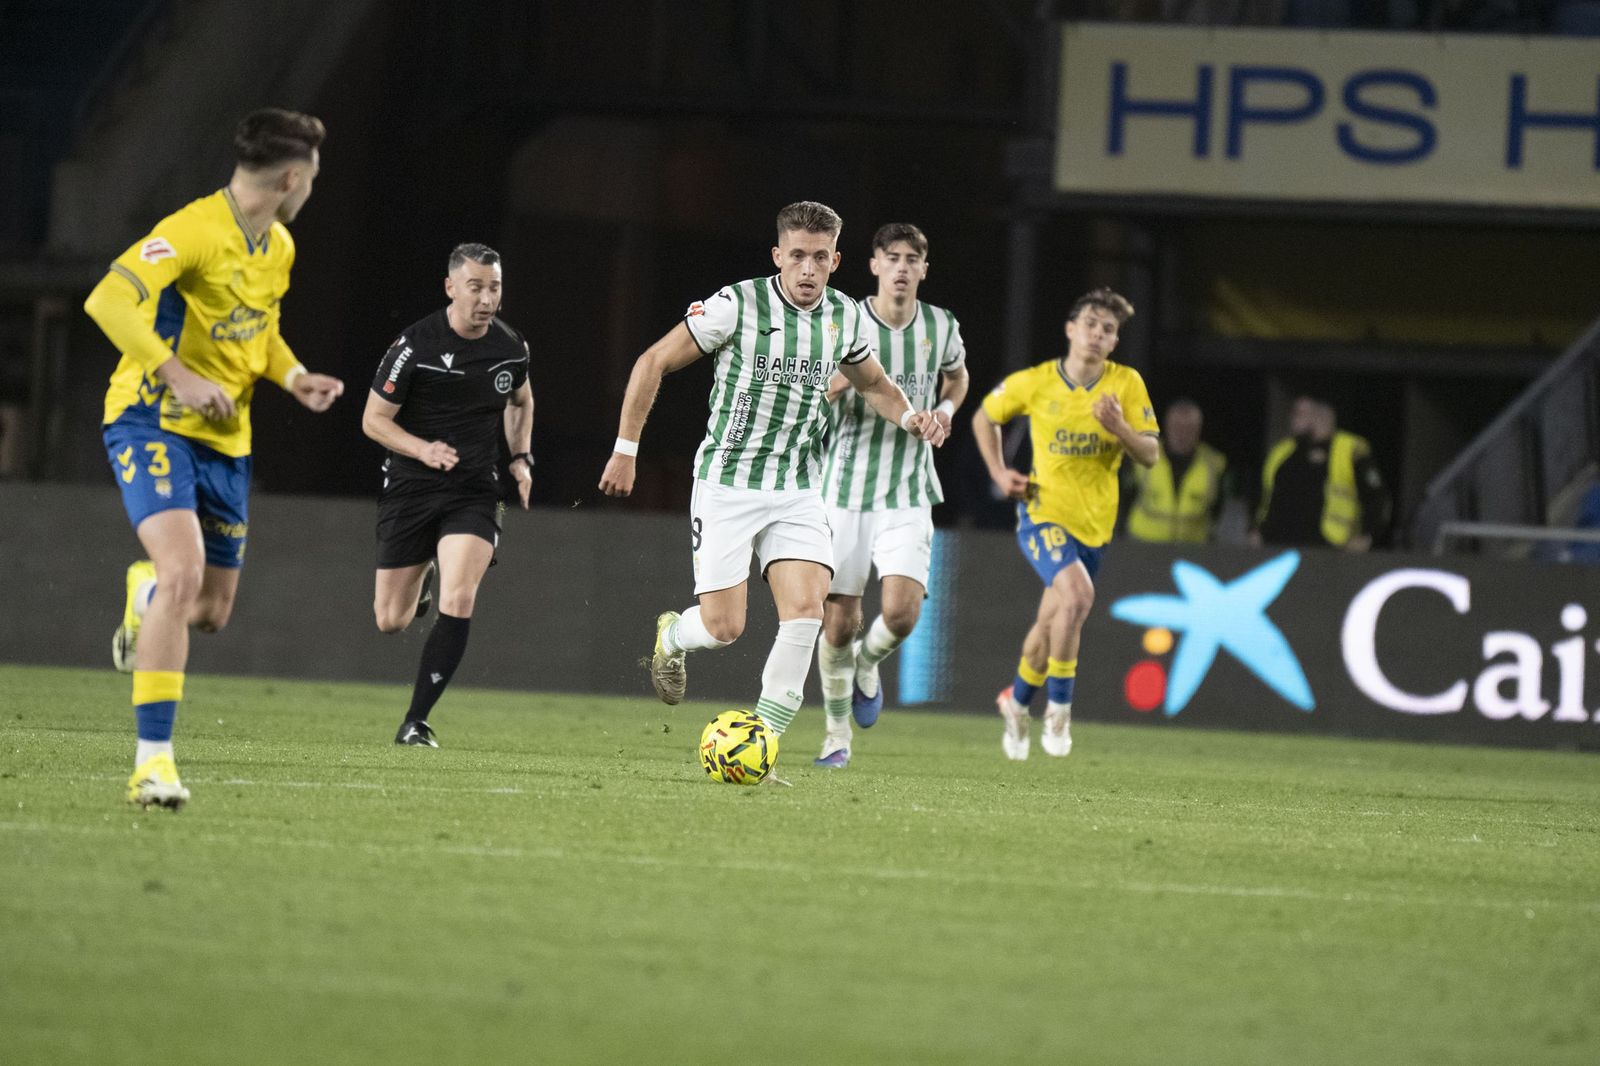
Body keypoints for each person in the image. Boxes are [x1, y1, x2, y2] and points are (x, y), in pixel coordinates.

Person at [598, 201, 946, 784]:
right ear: (777, 256)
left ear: (835, 261)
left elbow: (876, 385)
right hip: (727, 485)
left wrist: (910, 418)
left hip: (797, 489)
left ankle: (761, 746)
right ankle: (673, 635)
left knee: (807, 610)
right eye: (797, 256)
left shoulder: (844, 319)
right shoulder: (735, 306)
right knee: (723, 628)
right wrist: (625, 449)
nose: (808, 269)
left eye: (819, 258)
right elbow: (652, 360)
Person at [85, 108, 344, 809]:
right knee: (182, 573)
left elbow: (259, 332)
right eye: (313, 179)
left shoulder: (278, 246)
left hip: (227, 439)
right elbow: (107, 300)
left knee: (209, 611)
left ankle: (145, 595)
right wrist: (178, 375)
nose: (312, 191)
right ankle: (152, 765)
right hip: (151, 420)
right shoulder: (193, 231)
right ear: (292, 177)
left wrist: (293, 378)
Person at [973, 288, 1159, 760]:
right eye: (1091, 324)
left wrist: (1120, 428)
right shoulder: (1037, 382)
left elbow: (1151, 454)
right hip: (1041, 513)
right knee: (1078, 598)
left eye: (1109, 330)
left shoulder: (1126, 384)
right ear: (1071, 330)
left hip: (1095, 525)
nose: (1098, 335)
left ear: (1115, 342)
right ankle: (1058, 712)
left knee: (1052, 619)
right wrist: (998, 473)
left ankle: (1015, 702)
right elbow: (984, 417)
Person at [362, 244, 534, 747]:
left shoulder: (510, 346)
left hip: (475, 489)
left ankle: (416, 721)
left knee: (460, 596)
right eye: (476, 286)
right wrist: (423, 449)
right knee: (390, 620)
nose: (486, 298)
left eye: (495, 287)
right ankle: (424, 577)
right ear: (451, 287)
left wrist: (521, 459)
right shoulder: (413, 346)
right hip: (412, 488)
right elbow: (373, 420)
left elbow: (520, 399)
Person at [811, 223, 969, 768]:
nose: (902, 268)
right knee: (838, 623)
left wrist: (945, 414)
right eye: (892, 257)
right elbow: (814, 388)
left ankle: (868, 665)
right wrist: (830, 386)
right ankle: (836, 736)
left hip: (907, 489)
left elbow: (957, 377)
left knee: (901, 614)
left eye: (912, 259)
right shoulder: (845, 321)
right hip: (845, 490)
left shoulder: (941, 326)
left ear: (924, 269)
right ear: (874, 265)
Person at [1252, 394, 1388, 551]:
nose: (1293, 418)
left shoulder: (1350, 449)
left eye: (1300, 413)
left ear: (1321, 415)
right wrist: (1256, 529)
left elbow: (1377, 499)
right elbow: (1262, 496)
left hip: (1328, 550)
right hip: (1276, 547)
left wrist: (1366, 536)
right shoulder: (1281, 452)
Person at [1126, 397, 1228, 544]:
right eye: (1177, 427)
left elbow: (1218, 507)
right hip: (1143, 544)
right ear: (1167, 426)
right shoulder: (1141, 454)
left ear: (1199, 430)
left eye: (1189, 428)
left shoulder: (1214, 463)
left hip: (1193, 547)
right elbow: (1124, 497)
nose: (1182, 434)